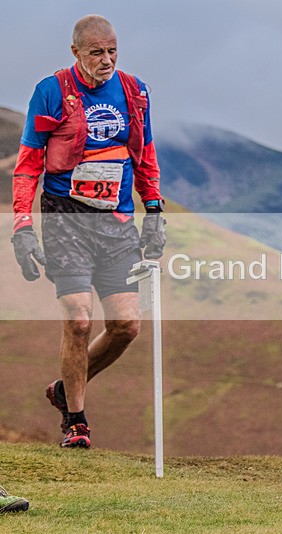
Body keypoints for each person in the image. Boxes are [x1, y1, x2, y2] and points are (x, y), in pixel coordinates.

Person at [10, 14, 166, 449]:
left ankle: (64, 388)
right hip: (65, 219)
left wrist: (153, 209)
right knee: (79, 319)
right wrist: (22, 227)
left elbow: (145, 152)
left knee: (126, 326)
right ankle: (76, 422)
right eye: (97, 52)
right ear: (75, 51)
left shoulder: (135, 91)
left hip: (116, 223)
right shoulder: (51, 91)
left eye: (113, 50)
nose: (107, 60)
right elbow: (27, 165)